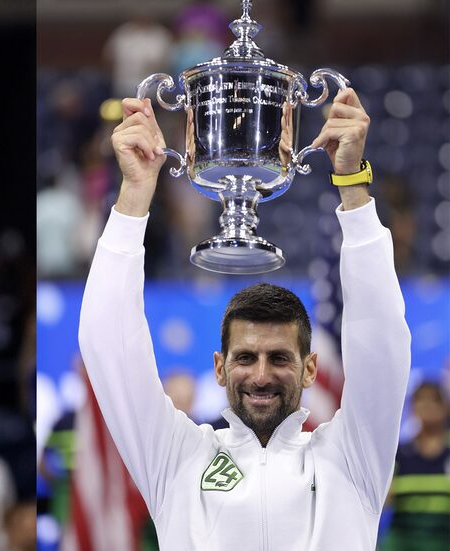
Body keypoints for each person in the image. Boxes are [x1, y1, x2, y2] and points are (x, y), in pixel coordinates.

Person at [79, 90, 411, 550]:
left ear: (310, 368)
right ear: (219, 367)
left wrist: (353, 184)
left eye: (279, 358)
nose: (261, 375)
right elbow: (107, 342)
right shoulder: (176, 459)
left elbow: (382, 337)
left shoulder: (353, 459)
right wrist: (135, 194)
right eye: (245, 357)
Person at [380, 382, 450, 550]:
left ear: (445, 408)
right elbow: (384, 501)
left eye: (434, 400)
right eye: (420, 400)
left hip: (442, 540)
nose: (426, 405)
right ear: (412, 408)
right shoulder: (399, 454)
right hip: (401, 541)